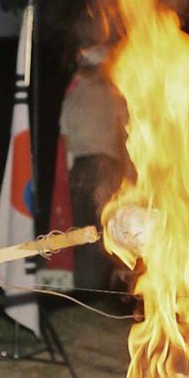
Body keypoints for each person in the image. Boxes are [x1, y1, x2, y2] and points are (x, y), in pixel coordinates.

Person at [59, 45, 129, 293]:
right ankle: (110, 285)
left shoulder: (72, 97)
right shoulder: (112, 93)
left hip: (79, 168)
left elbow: (64, 137)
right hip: (105, 166)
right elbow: (129, 129)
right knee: (110, 227)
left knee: (83, 229)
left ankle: (87, 287)